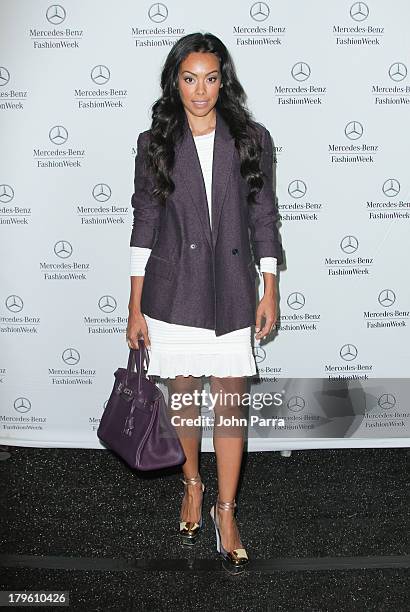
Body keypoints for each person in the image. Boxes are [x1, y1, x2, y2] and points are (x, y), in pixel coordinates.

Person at [126, 32, 283, 575]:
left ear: (224, 80)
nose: (200, 90)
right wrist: (134, 304)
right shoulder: (155, 142)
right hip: (173, 290)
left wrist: (269, 286)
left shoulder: (250, 137)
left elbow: (264, 215)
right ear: (175, 80)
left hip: (232, 288)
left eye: (211, 78)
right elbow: (144, 221)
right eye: (190, 78)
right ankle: (192, 482)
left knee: (232, 401)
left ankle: (226, 509)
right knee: (186, 397)